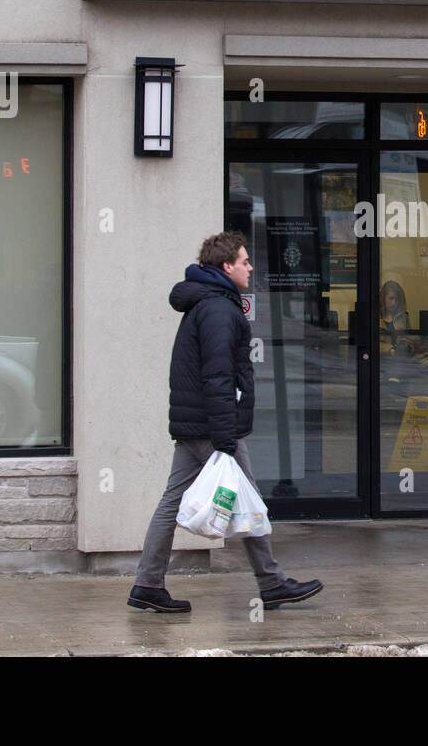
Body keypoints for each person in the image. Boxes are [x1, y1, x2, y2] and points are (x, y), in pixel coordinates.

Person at [128, 231, 323, 613]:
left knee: (172, 501)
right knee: (249, 500)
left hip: (196, 424)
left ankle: (147, 584)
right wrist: (225, 437)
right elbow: (217, 376)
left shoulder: (208, 302)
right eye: (245, 261)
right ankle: (272, 583)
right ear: (226, 266)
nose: (251, 267)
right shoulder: (218, 309)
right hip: (211, 427)